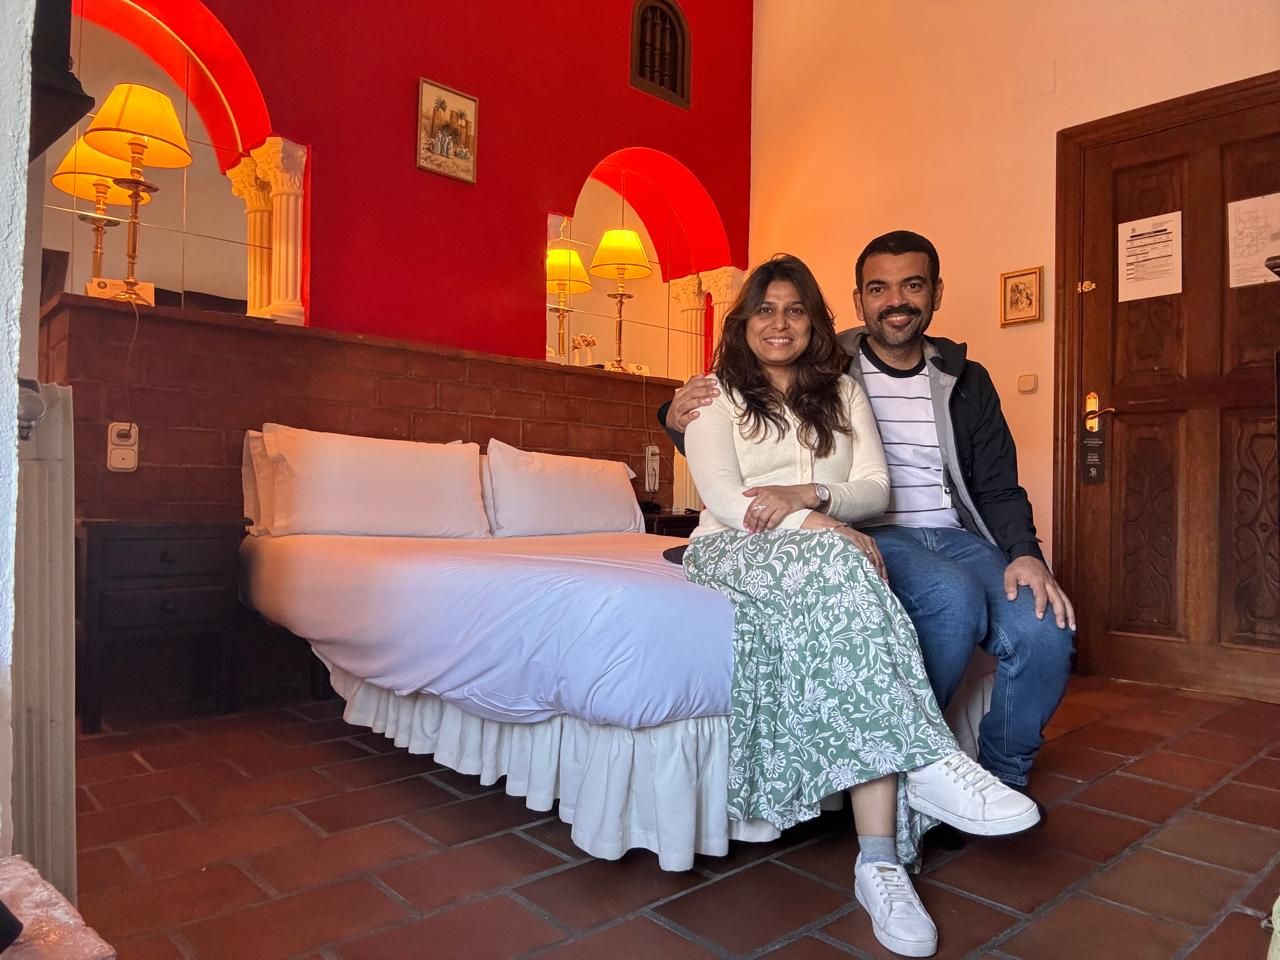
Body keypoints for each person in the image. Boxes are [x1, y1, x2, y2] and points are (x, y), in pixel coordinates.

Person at [682, 253, 1039, 958]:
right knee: (846, 561)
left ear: (816, 323)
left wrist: (815, 498)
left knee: (854, 588)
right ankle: (927, 768)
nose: (780, 323)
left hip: (823, 543)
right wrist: (822, 525)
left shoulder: (843, 393)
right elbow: (724, 499)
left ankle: (879, 864)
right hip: (730, 546)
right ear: (743, 323)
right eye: (765, 310)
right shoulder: (713, 396)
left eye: (795, 310)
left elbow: (876, 489)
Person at [663, 232, 1075, 801]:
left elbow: (999, 484)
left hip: (955, 534)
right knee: (951, 600)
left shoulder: (967, 379)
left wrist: (1026, 554)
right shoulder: (826, 363)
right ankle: (905, 771)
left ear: (936, 293)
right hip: (874, 532)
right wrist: (673, 413)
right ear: (859, 301)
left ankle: (1002, 776)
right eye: (879, 289)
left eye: (913, 285)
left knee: (1046, 627)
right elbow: (744, 426)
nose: (896, 301)